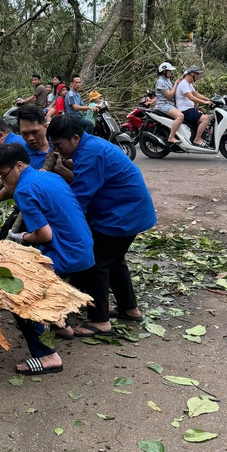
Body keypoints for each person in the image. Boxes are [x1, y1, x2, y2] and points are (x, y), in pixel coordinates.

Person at [0, 143, 95, 374]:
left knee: (19, 294)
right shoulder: (49, 177)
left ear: (19, 165)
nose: (3, 181)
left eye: (4, 175)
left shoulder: (24, 190)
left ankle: (47, 356)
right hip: (84, 245)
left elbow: (44, 235)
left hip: (65, 252)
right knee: (44, 285)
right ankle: (62, 326)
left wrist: (22, 236)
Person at [47, 115, 157, 332]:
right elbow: (82, 180)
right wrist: (61, 169)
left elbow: (79, 197)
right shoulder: (90, 146)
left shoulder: (91, 153)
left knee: (95, 263)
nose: (56, 151)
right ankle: (129, 309)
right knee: (115, 260)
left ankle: (100, 321)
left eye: (59, 145)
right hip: (129, 210)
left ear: (75, 138)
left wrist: (54, 222)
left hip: (124, 215)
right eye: (53, 145)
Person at [175, 66, 211, 147]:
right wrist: (205, 102)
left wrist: (209, 99)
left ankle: (198, 137)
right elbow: (191, 97)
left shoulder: (189, 84)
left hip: (190, 109)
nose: (198, 76)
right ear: (192, 74)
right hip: (186, 111)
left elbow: (196, 94)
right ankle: (197, 139)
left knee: (207, 117)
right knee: (205, 119)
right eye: (197, 74)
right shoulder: (183, 84)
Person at [154, 62, 184, 145]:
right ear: (164, 71)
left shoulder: (167, 80)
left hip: (171, 104)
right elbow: (169, 95)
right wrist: (176, 83)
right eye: (169, 71)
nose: (171, 73)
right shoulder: (160, 81)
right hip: (164, 105)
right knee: (180, 116)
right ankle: (171, 137)